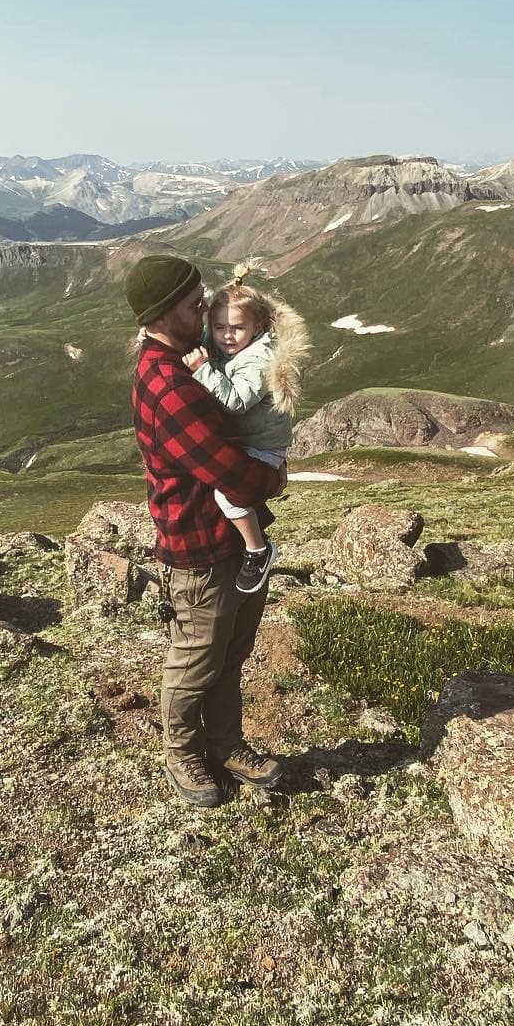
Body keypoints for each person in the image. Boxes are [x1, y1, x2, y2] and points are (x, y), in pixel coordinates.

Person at [125, 253, 289, 809]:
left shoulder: (178, 368)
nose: (204, 310)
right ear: (163, 312)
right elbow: (225, 469)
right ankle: (181, 751)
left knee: (229, 654)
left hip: (227, 541)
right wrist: (273, 477)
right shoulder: (169, 384)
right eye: (195, 305)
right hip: (199, 546)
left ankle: (225, 743)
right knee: (195, 657)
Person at [182, 263, 309, 594]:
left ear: (258, 326)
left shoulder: (257, 359)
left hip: (263, 445)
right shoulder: (232, 345)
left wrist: (203, 370)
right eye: (219, 326)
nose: (226, 335)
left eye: (237, 328)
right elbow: (209, 342)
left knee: (229, 493)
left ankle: (257, 550)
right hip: (250, 440)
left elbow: (235, 401)